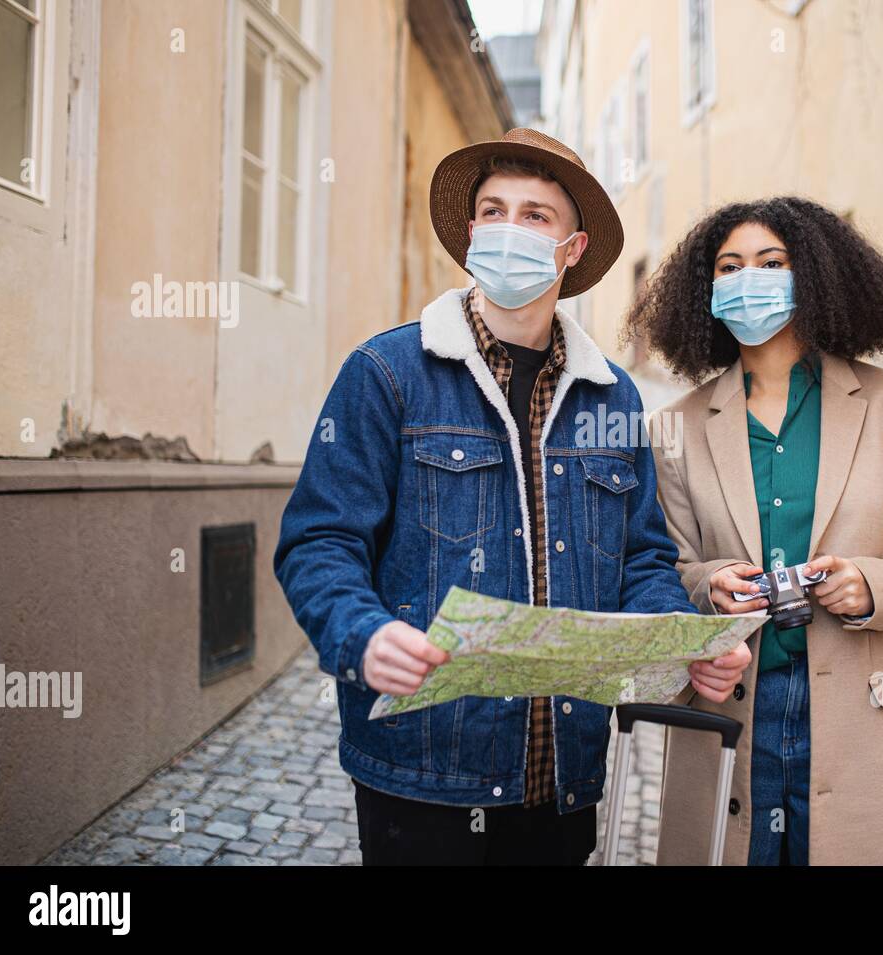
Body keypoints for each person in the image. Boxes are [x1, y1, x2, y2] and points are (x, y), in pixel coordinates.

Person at [273, 128, 750, 866]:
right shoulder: (387, 372)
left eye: (534, 216)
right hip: (424, 776)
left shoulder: (612, 396)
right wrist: (361, 635)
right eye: (493, 211)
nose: (507, 229)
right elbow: (318, 542)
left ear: (573, 248)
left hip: (562, 780)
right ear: (469, 236)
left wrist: (686, 642)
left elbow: (642, 559)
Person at [627, 196, 883, 865]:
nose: (748, 279)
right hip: (728, 698)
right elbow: (664, 565)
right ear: (708, 291)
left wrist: (868, 581)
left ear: (811, 273)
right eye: (729, 267)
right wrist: (709, 584)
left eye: (770, 261)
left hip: (857, 711)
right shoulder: (674, 427)